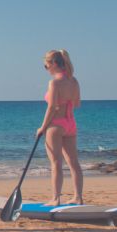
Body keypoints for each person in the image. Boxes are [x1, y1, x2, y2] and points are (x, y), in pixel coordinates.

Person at [36, 49, 82, 206]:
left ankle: (55, 199)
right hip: (71, 124)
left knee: (56, 163)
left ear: (54, 63)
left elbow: (52, 107)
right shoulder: (74, 81)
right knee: (74, 162)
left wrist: (42, 127)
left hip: (56, 125)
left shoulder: (54, 83)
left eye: (46, 65)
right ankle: (78, 197)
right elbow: (77, 103)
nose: (46, 69)